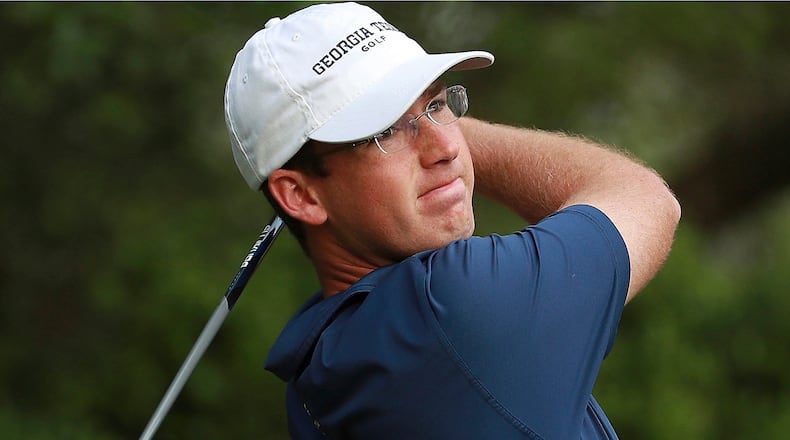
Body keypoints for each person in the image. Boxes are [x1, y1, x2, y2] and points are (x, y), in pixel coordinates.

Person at [223, 2, 681, 439]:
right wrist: (437, 120)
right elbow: (645, 197)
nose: (446, 147)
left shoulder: (323, 360)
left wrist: (410, 118)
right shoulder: (452, 306)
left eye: (439, 104)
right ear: (300, 194)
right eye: (383, 131)